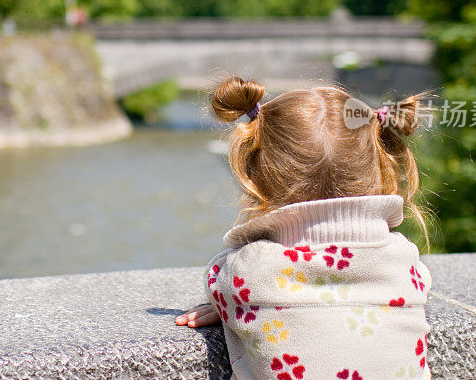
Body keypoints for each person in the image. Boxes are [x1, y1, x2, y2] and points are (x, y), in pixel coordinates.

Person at [175, 77, 433, 380]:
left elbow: (216, 279)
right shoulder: (405, 260)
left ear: (257, 175)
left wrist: (227, 305)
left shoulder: (246, 271)